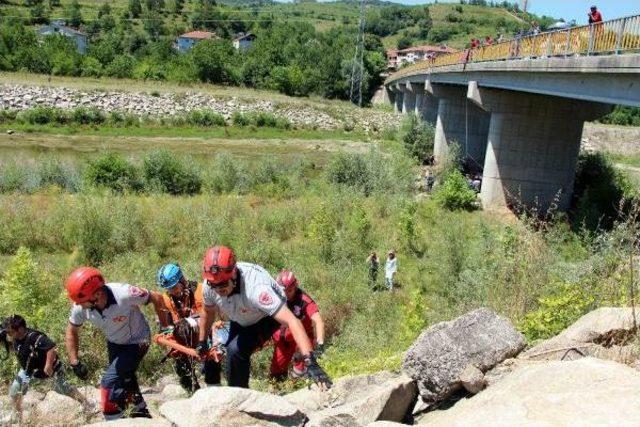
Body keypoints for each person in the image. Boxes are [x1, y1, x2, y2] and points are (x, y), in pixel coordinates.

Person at [197, 245, 332, 389]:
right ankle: (233, 392)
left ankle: (241, 398)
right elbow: (208, 312)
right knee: (225, 353)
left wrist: (310, 361)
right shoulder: (209, 285)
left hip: (265, 316)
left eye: (223, 285)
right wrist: (202, 341)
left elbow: (293, 321)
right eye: (214, 285)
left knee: (236, 350)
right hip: (240, 315)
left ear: (234, 274)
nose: (219, 290)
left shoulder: (257, 288)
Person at [65, 266, 165, 420]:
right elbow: (71, 331)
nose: (78, 304)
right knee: (125, 378)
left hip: (138, 341)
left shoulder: (124, 294)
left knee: (109, 383)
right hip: (114, 342)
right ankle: (141, 414)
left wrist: (165, 327)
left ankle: (113, 419)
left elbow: (157, 297)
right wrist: (74, 362)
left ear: (97, 295)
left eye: (81, 301)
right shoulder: (81, 306)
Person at [3, 315, 89, 422]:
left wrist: (48, 365)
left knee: (64, 389)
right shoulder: (16, 338)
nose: (8, 334)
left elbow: (51, 348)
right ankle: (17, 417)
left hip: (50, 371)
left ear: (20, 329)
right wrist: (4, 343)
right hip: (28, 372)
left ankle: (86, 404)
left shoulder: (34, 337)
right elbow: (20, 349)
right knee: (15, 390)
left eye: (10, 332)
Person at [156, 263, 220, 392]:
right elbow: (166, 326)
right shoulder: (167, 299)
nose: (171, 291)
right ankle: (193, 392)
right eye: (168, 289)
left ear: (182, 280)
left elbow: (211, 318)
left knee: (211, 370)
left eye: (173, 287)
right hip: (183, 337)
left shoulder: (201, 291)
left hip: (205, 335)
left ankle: (214, 388)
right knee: (183, 371)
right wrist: (168, 336)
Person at [269, 270, 326, 380]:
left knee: (300, 374)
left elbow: (318, 321)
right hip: (283, 342)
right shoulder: (275, 298)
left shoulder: (304, 301)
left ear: (295, 285)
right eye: (283, 291)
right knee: (275, 376)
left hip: (302, 341)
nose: (286, 294)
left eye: (289, 290)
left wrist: (320, 344)